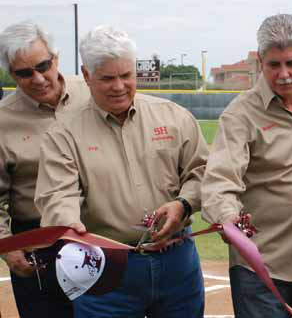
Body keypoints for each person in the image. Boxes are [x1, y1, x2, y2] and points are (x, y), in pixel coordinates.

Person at [34, 25, 208, 318]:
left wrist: (183, 204)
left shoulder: (174, 117)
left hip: (178, 264)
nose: (119, 86)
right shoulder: (63, 133)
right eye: (107, 78)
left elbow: (203, 173)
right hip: (107, 271)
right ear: (86, 75)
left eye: (126, 76)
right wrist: (69, 228)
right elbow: (57, 196)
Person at [200, 14, 292, 318]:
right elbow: (219, 182)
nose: (284, 74)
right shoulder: (239, 115)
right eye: (274, 65)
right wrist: (229, 222)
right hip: (262, 266)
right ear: (260, 62)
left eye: (291, 63)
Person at [0, 21, 91, 317]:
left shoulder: (91, 92)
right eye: (24, 73)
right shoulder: (2, 122)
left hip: (98, 235)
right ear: (10, 73)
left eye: (43, 65)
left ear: (56, 58)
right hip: (38, 243)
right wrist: (7, 247)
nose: (38, 79)